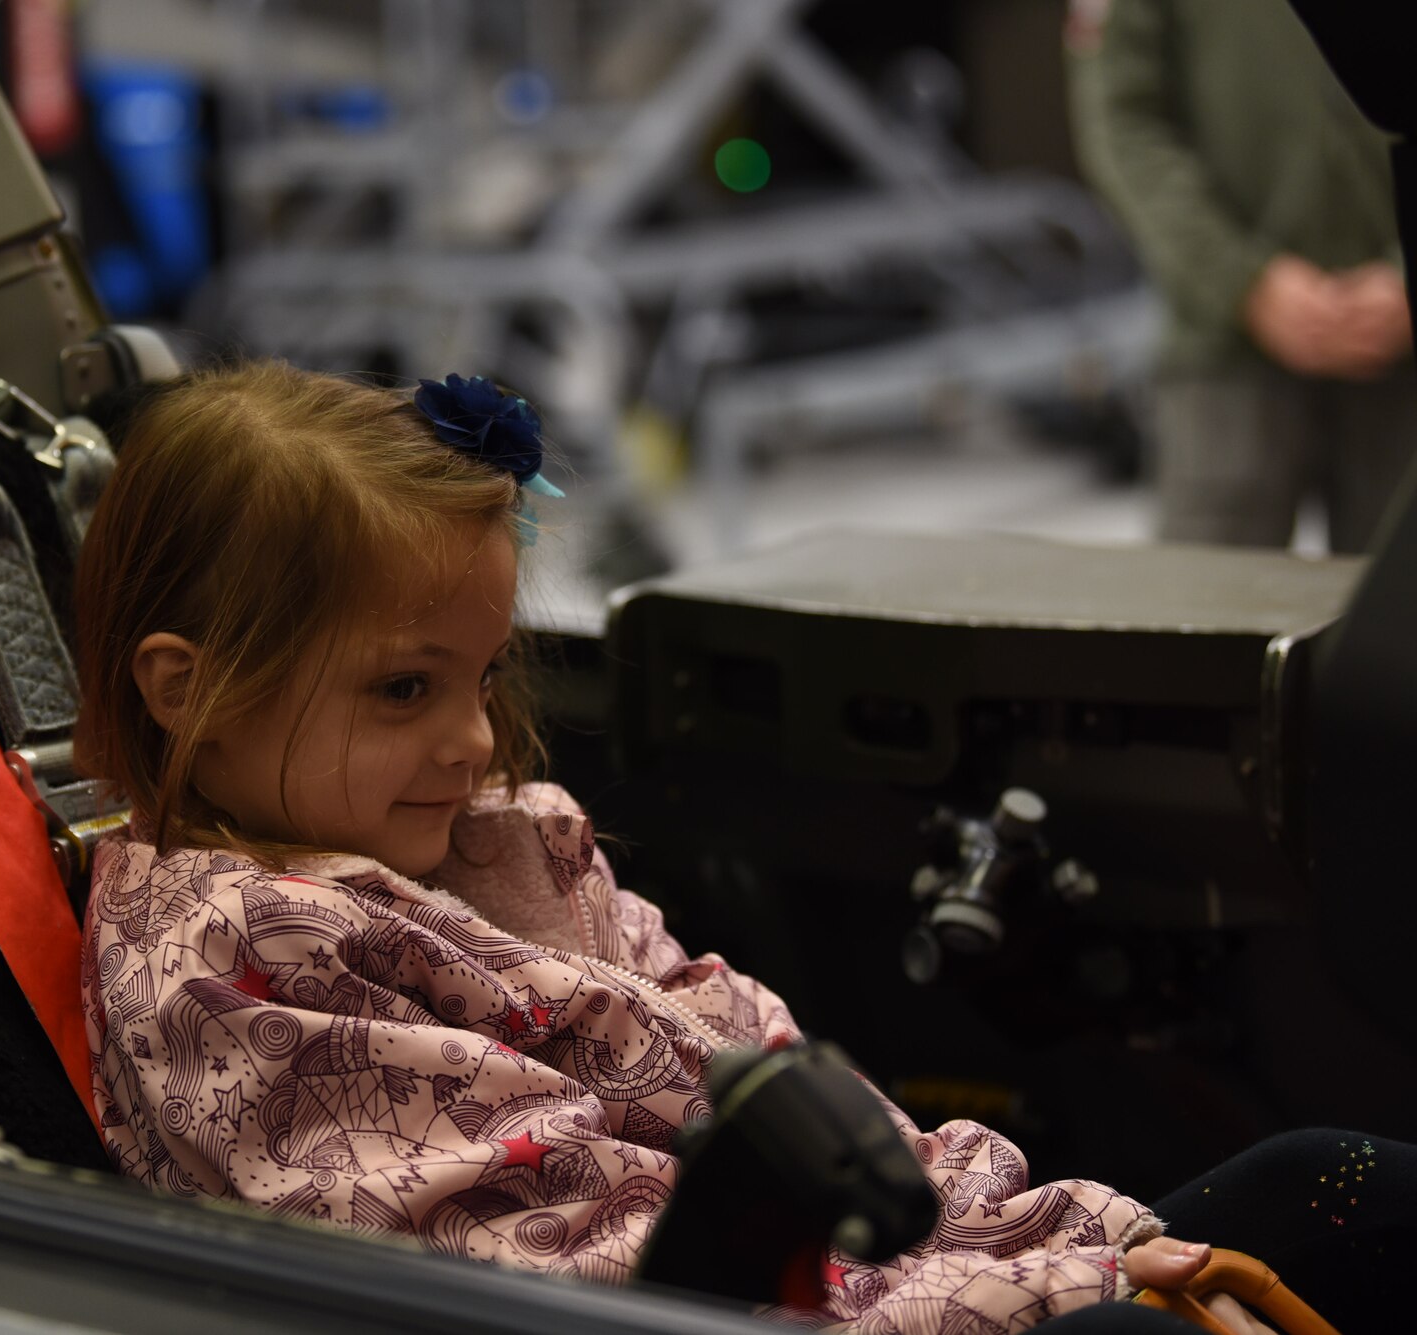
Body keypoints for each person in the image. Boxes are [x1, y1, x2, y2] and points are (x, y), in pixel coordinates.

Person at [72, 360, 1378, 1332]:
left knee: (1329, 1179)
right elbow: (577, 1275)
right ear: (187, 688)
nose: (476, 739)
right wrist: (1060, 1288)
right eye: (406, 690)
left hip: (874, 1282)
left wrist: (1087, 1237)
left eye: (483, 676)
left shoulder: (502, 855)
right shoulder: (238, 974)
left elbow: (798, 1094)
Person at [1067, 0, 1417, 553]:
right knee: (1208, 612)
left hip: (1402, 358)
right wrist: (1245, 282)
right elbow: (1125, 124)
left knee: (1399, 617)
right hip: (1225, 346)